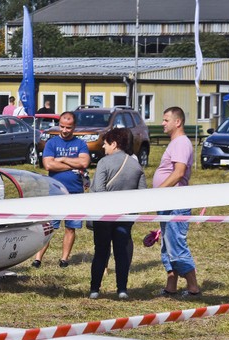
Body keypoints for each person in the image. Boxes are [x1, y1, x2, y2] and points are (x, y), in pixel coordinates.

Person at [88, 128, 147, 300]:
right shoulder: (136, 165)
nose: (104, 148)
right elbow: (143, 194)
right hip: (125, 216)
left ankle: (94, 290)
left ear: (114, 144)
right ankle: (122, 289)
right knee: (121, 253)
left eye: (105, 144)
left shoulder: (104, 163)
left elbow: (99, 189)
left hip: (104, 216)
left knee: (101, 252)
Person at [32, 111, 90, 268]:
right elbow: (48, 165)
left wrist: (63, 159)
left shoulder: (81, 144)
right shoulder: (51, 143)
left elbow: (84, 163)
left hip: (76, 192)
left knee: (71, 227)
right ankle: (37, 259)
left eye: (68, 127)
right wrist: (74, 163)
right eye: (62, 126)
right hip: (55, 192)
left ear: (74, 127)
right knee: (49, 226)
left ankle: (64, 259)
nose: (65, 130)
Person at [153, 106, 201, 297]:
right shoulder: (175, 142)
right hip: (168, 200)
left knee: (176, 243)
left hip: (176, 200)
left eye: (166, 120)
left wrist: (158, 192)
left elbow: (179, 173)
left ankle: (193, 287)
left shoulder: (181, 142)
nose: (162, 123)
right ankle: (171, 285)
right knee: (167, 243)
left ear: (177, 122)